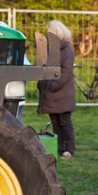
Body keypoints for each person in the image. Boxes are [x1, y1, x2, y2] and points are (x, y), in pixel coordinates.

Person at [36, 19, 76, 158]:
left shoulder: (67, 50)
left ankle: (69, 149)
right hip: (50, 93)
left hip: (62, 93)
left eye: (52, 32)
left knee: (65, 122)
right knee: (55, 122)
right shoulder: (49, 49)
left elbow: (65, 73)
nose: (49, 35)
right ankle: (59, 147)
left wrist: (52, 86)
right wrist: (42, 84)